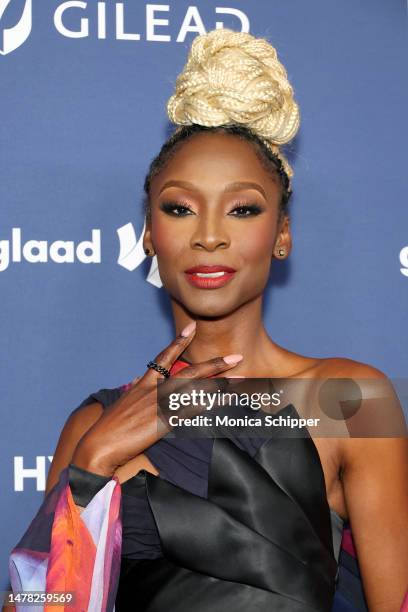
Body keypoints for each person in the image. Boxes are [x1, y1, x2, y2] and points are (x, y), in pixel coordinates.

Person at [8, 28, 408, 612]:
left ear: (282, 235)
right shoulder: (97, 421)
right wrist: (90, 469)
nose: (211, 235)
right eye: (180, 208)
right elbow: (38, 602)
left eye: (243, 209)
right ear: (149, 233)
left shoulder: (349, 398)